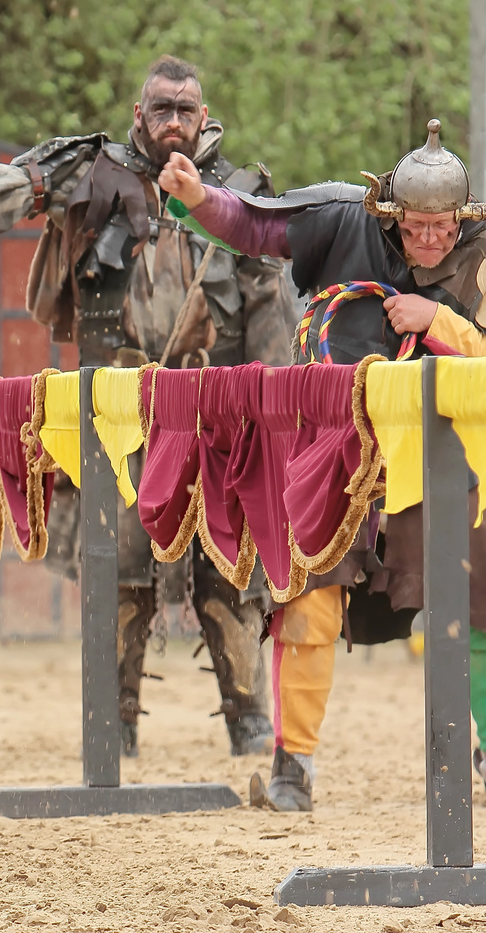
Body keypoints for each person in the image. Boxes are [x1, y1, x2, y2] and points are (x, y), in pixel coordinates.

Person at [0, 55, 298, 757]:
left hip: (218, 413)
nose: (174, 121)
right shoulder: (89, 171)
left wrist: (275, 415)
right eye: (161, 109)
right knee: (116, 569)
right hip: (113, 411)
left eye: (186, 109)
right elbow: (1, 189)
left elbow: (274, 306)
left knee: (229, 568)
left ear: (204, 117)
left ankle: (249, 725)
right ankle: (110, 727)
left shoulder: (240, 194)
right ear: (139, 115)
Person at [158, 117, 486, 809]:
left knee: (480, 606)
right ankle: (291, 767)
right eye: (416, 226)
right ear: (390, 214)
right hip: (339, 449)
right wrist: (193, 197)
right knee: (308, 605)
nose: (430, 240)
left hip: (453, 459)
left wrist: (440, 323)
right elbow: (253, 229)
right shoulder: (343, 223)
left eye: (444, 227)